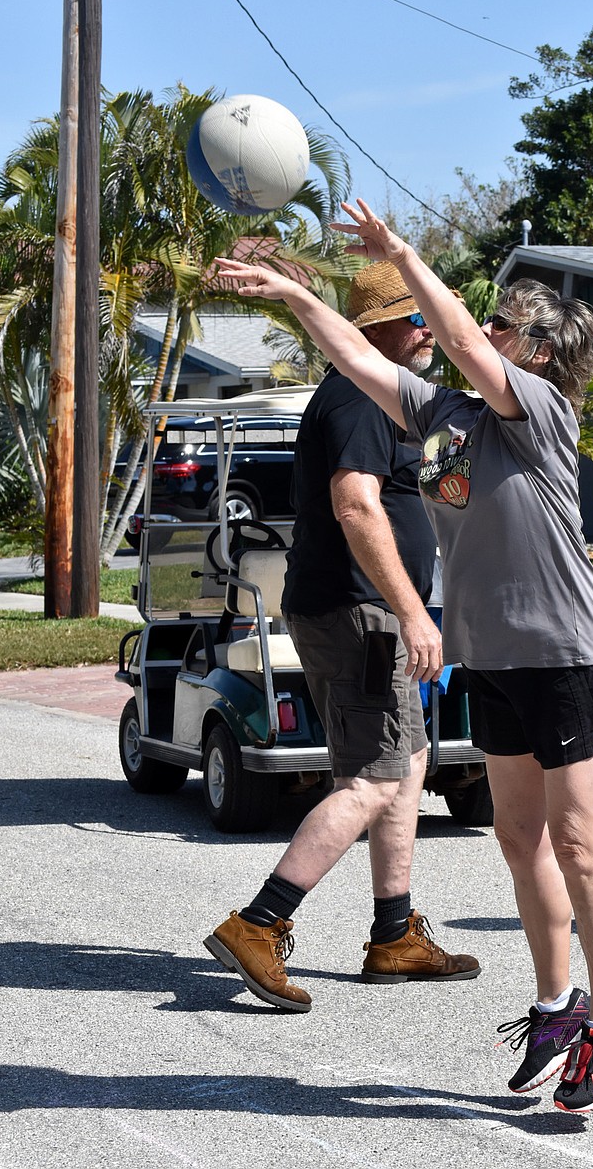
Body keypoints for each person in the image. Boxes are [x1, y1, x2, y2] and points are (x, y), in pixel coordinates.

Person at [214, 198, 593, 1112]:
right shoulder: (448, 417)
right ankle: (556, 1005)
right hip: (495, 658)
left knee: (578, 841)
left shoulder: (540, 409)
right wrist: (292, 296)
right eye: (487, 319)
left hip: (570, 654)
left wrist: (402, 253)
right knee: (519, 838)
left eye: (502, 324)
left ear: (537, 352)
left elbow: (451, 334)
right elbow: (359, 358)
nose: (481, 330)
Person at [203, 258, 480, 1013]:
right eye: (414, 317)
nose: (427, 329)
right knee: (372, 778)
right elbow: (356, 505)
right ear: (374, 329)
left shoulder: (390, 399)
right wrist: (412, 612)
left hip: (372, 612)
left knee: (408, 761)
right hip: (361, 613)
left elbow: (436, 491)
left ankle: (395, 935)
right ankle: (258, 923)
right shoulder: (357, 398)